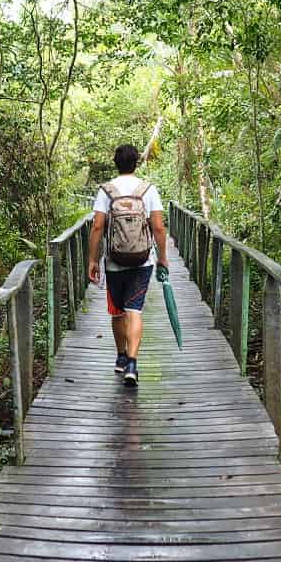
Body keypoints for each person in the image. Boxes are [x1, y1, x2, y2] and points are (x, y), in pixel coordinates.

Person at [87, 144, 169, 386]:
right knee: (135, 311)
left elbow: (97, 227)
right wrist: (163, 257)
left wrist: (93, 259)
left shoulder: (106, 190)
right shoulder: (148, 190)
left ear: (116, 163)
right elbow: (158, 228)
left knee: (117, 311)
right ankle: (133, 363)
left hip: (114, 261)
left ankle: (121, 357)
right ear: (136, 163)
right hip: (143, 260)